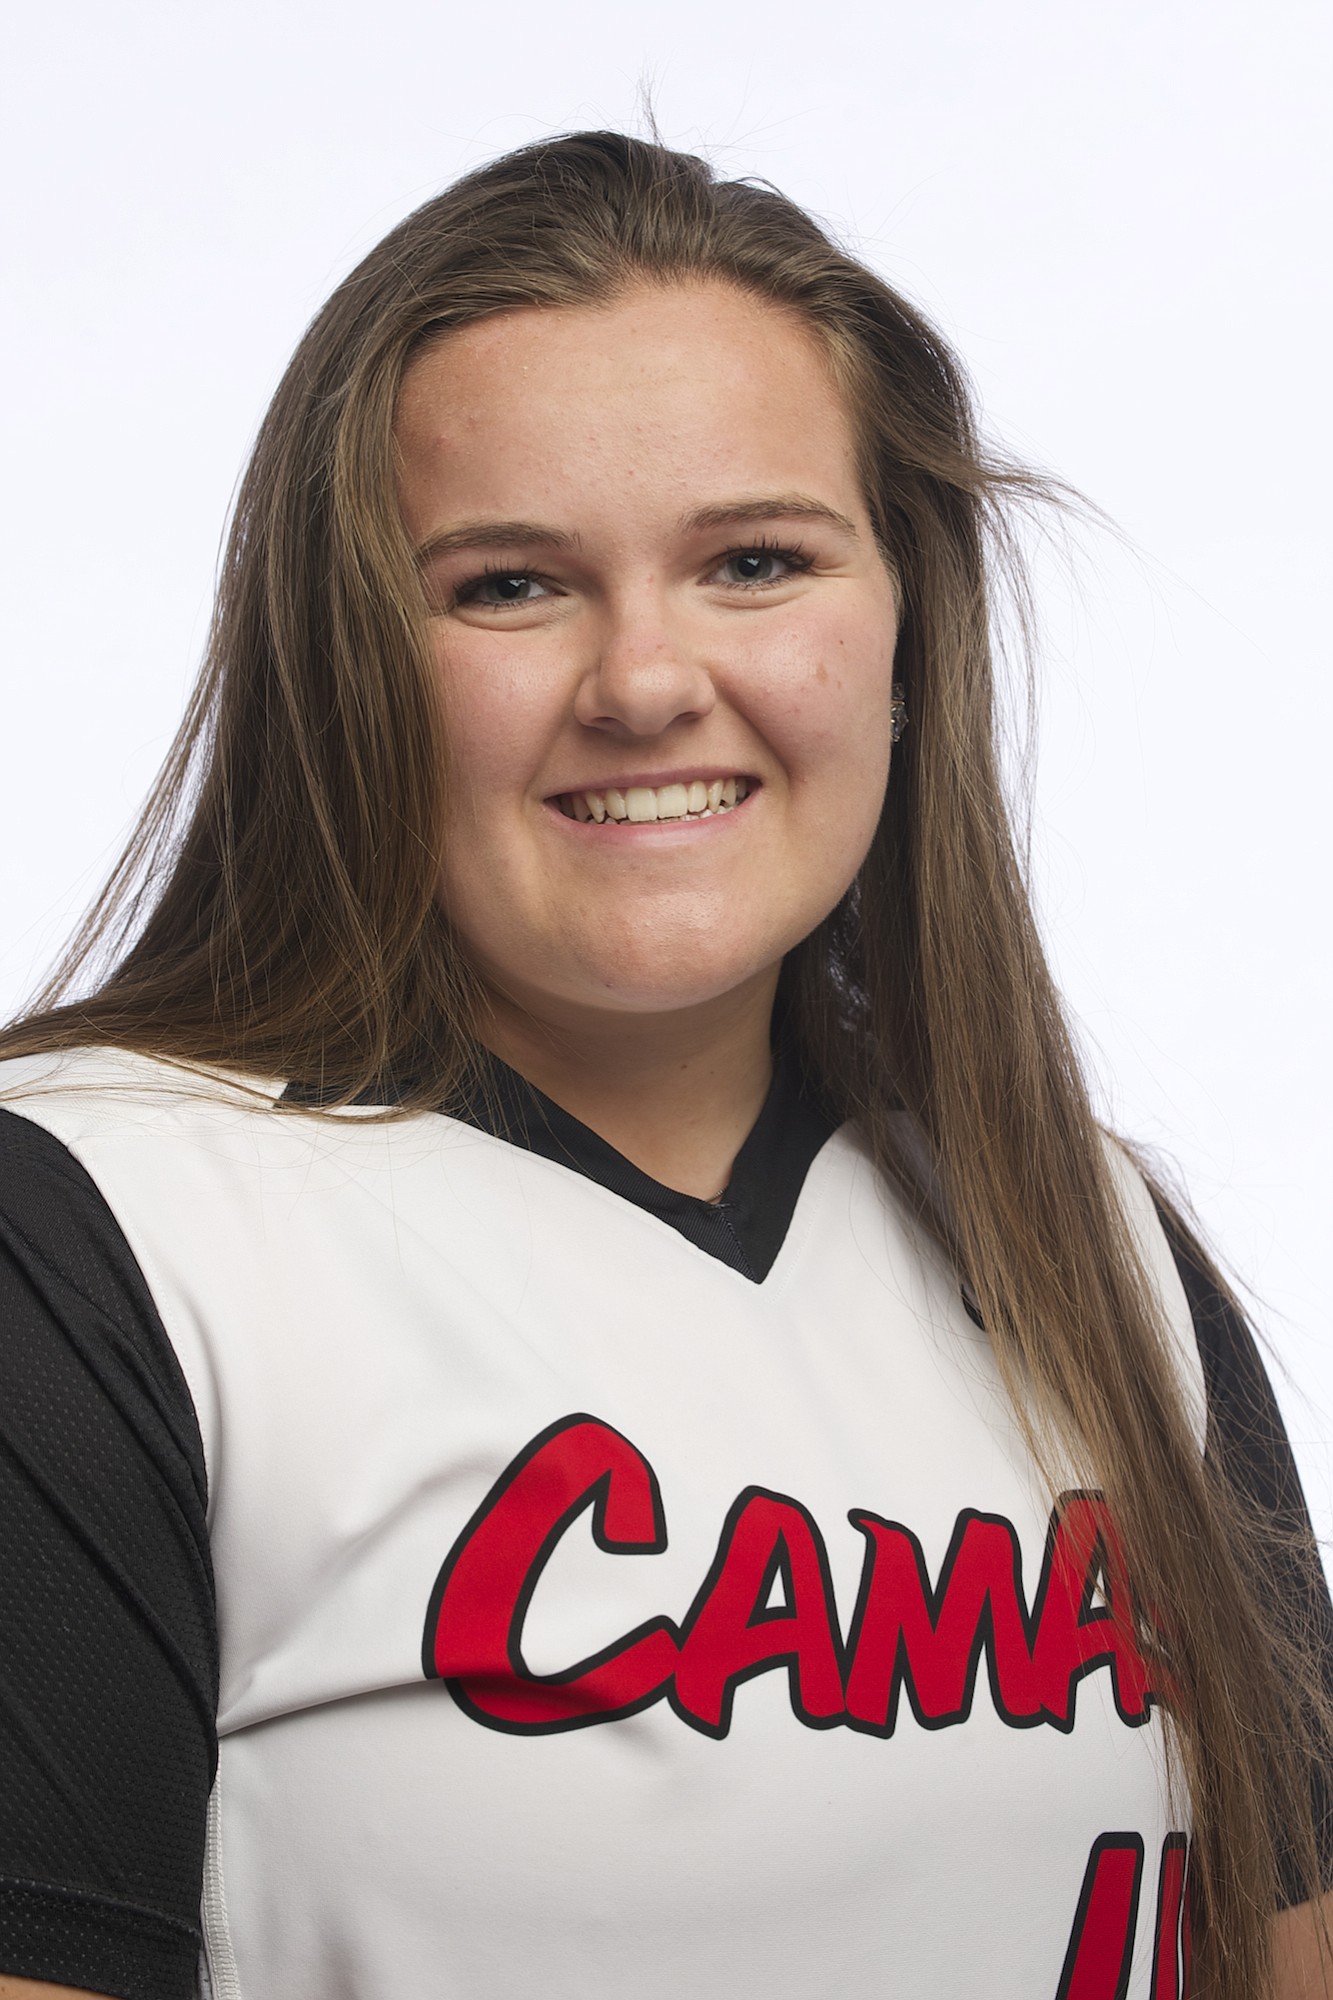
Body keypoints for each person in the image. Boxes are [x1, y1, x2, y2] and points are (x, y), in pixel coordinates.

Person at [0, 130, 1329, 2000]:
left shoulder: (1093, 1245)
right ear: (347, 655)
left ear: (902, 621)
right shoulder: (92, 1235)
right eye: (507, 586)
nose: (641, 680)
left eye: (754, 561)